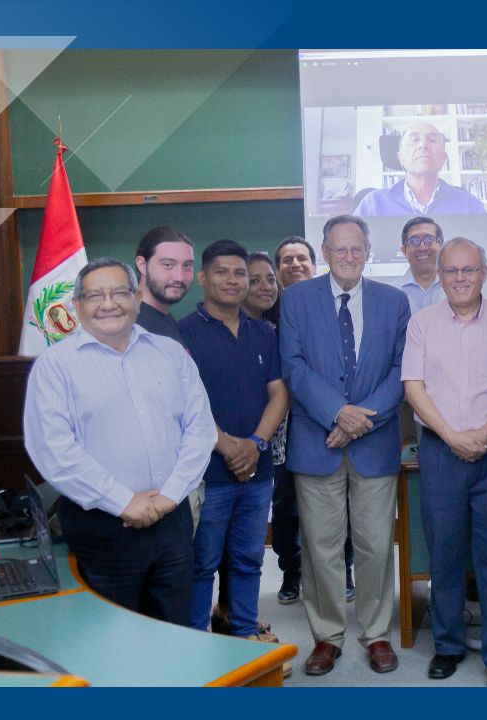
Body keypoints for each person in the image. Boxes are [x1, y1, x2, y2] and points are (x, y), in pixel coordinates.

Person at [23, 258, 216, 625]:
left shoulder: (170, 354)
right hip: (101, 524)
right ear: (77, 305)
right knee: (109, 634)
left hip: (172, 518)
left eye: (119, 293)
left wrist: (169, 495)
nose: (108, 304)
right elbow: (54, 450)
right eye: (94, 295)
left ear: (137, 299)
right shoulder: (55, 365)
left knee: (173, 630)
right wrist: (122, 501)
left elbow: (200, 429)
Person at [281, 214, 410, 676]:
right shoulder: (296, 299)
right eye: (340, 249)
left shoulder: (394, 302)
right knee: (321, 546)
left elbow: (401, 369)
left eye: (357, 248)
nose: (349, 256)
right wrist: (337, 412)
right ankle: (327, 636)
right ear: (325, 252)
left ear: (368, 251)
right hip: (316, 441)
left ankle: (377, 634)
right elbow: (293, 366)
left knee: (376, 544)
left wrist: (358, 421)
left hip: (374, 443)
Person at [402, 237, 487, 687]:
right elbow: (414, 387)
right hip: (440, 452)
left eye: (469, 270)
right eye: (451, 270)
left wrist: (484, 435)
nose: (460, 278)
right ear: (440, 275)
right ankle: (447, 646)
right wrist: (452, 437)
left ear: (484, 274)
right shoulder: (422, 324)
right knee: (445, 554)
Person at [179, 240, 287, 643]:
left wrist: (255, 444)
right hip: (207, 474)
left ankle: (243, 634)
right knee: (202, 564)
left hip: (257, 472)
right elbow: (183, 402)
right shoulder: (182, 333)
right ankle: (196, 643)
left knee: (248, 560)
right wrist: (226, 445)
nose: (232, 280)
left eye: (240, 273)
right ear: (202, 277)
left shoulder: (263, 333)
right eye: (221, 272)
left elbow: (279, 394)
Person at [269, 237, 357, 605]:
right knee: (286, 503)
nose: (294, 265)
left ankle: (343, 569)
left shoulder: (331, 307)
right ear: (278, 270)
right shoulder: (267, 310)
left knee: (341, 502)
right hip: (281, 426)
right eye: (286, 260)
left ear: (314, 263)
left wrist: (335, 413)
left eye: (301, 259)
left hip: (328, 418)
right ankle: (292, 570)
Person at [354, 121, 486, 216]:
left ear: (444, 158)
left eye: (432, 140)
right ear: (401, 157)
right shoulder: (373, 204)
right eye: (414, 140)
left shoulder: (470, 205)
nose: (423, 145)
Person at [133, 225, 195, 345]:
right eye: (168, 265)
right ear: (142, 265)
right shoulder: (127, 326)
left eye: (187, 265)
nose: (180, 277)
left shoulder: (164, 319)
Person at [395, 216, 446, 313]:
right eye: (414, 241)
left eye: (429, 240)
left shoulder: (457, 289)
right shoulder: (391, 293)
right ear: (404, 250)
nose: (422, 248)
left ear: (441, 246)